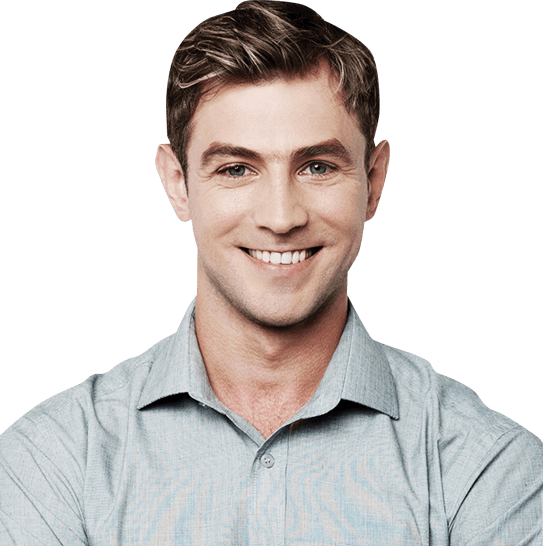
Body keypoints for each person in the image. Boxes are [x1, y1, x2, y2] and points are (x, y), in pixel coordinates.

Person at [1, 0, 541, 543]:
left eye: (317, 166)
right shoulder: (54, 460)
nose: (281, 218)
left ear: (374, 182)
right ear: (177, 183)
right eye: (237, 169)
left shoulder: (486, 467)